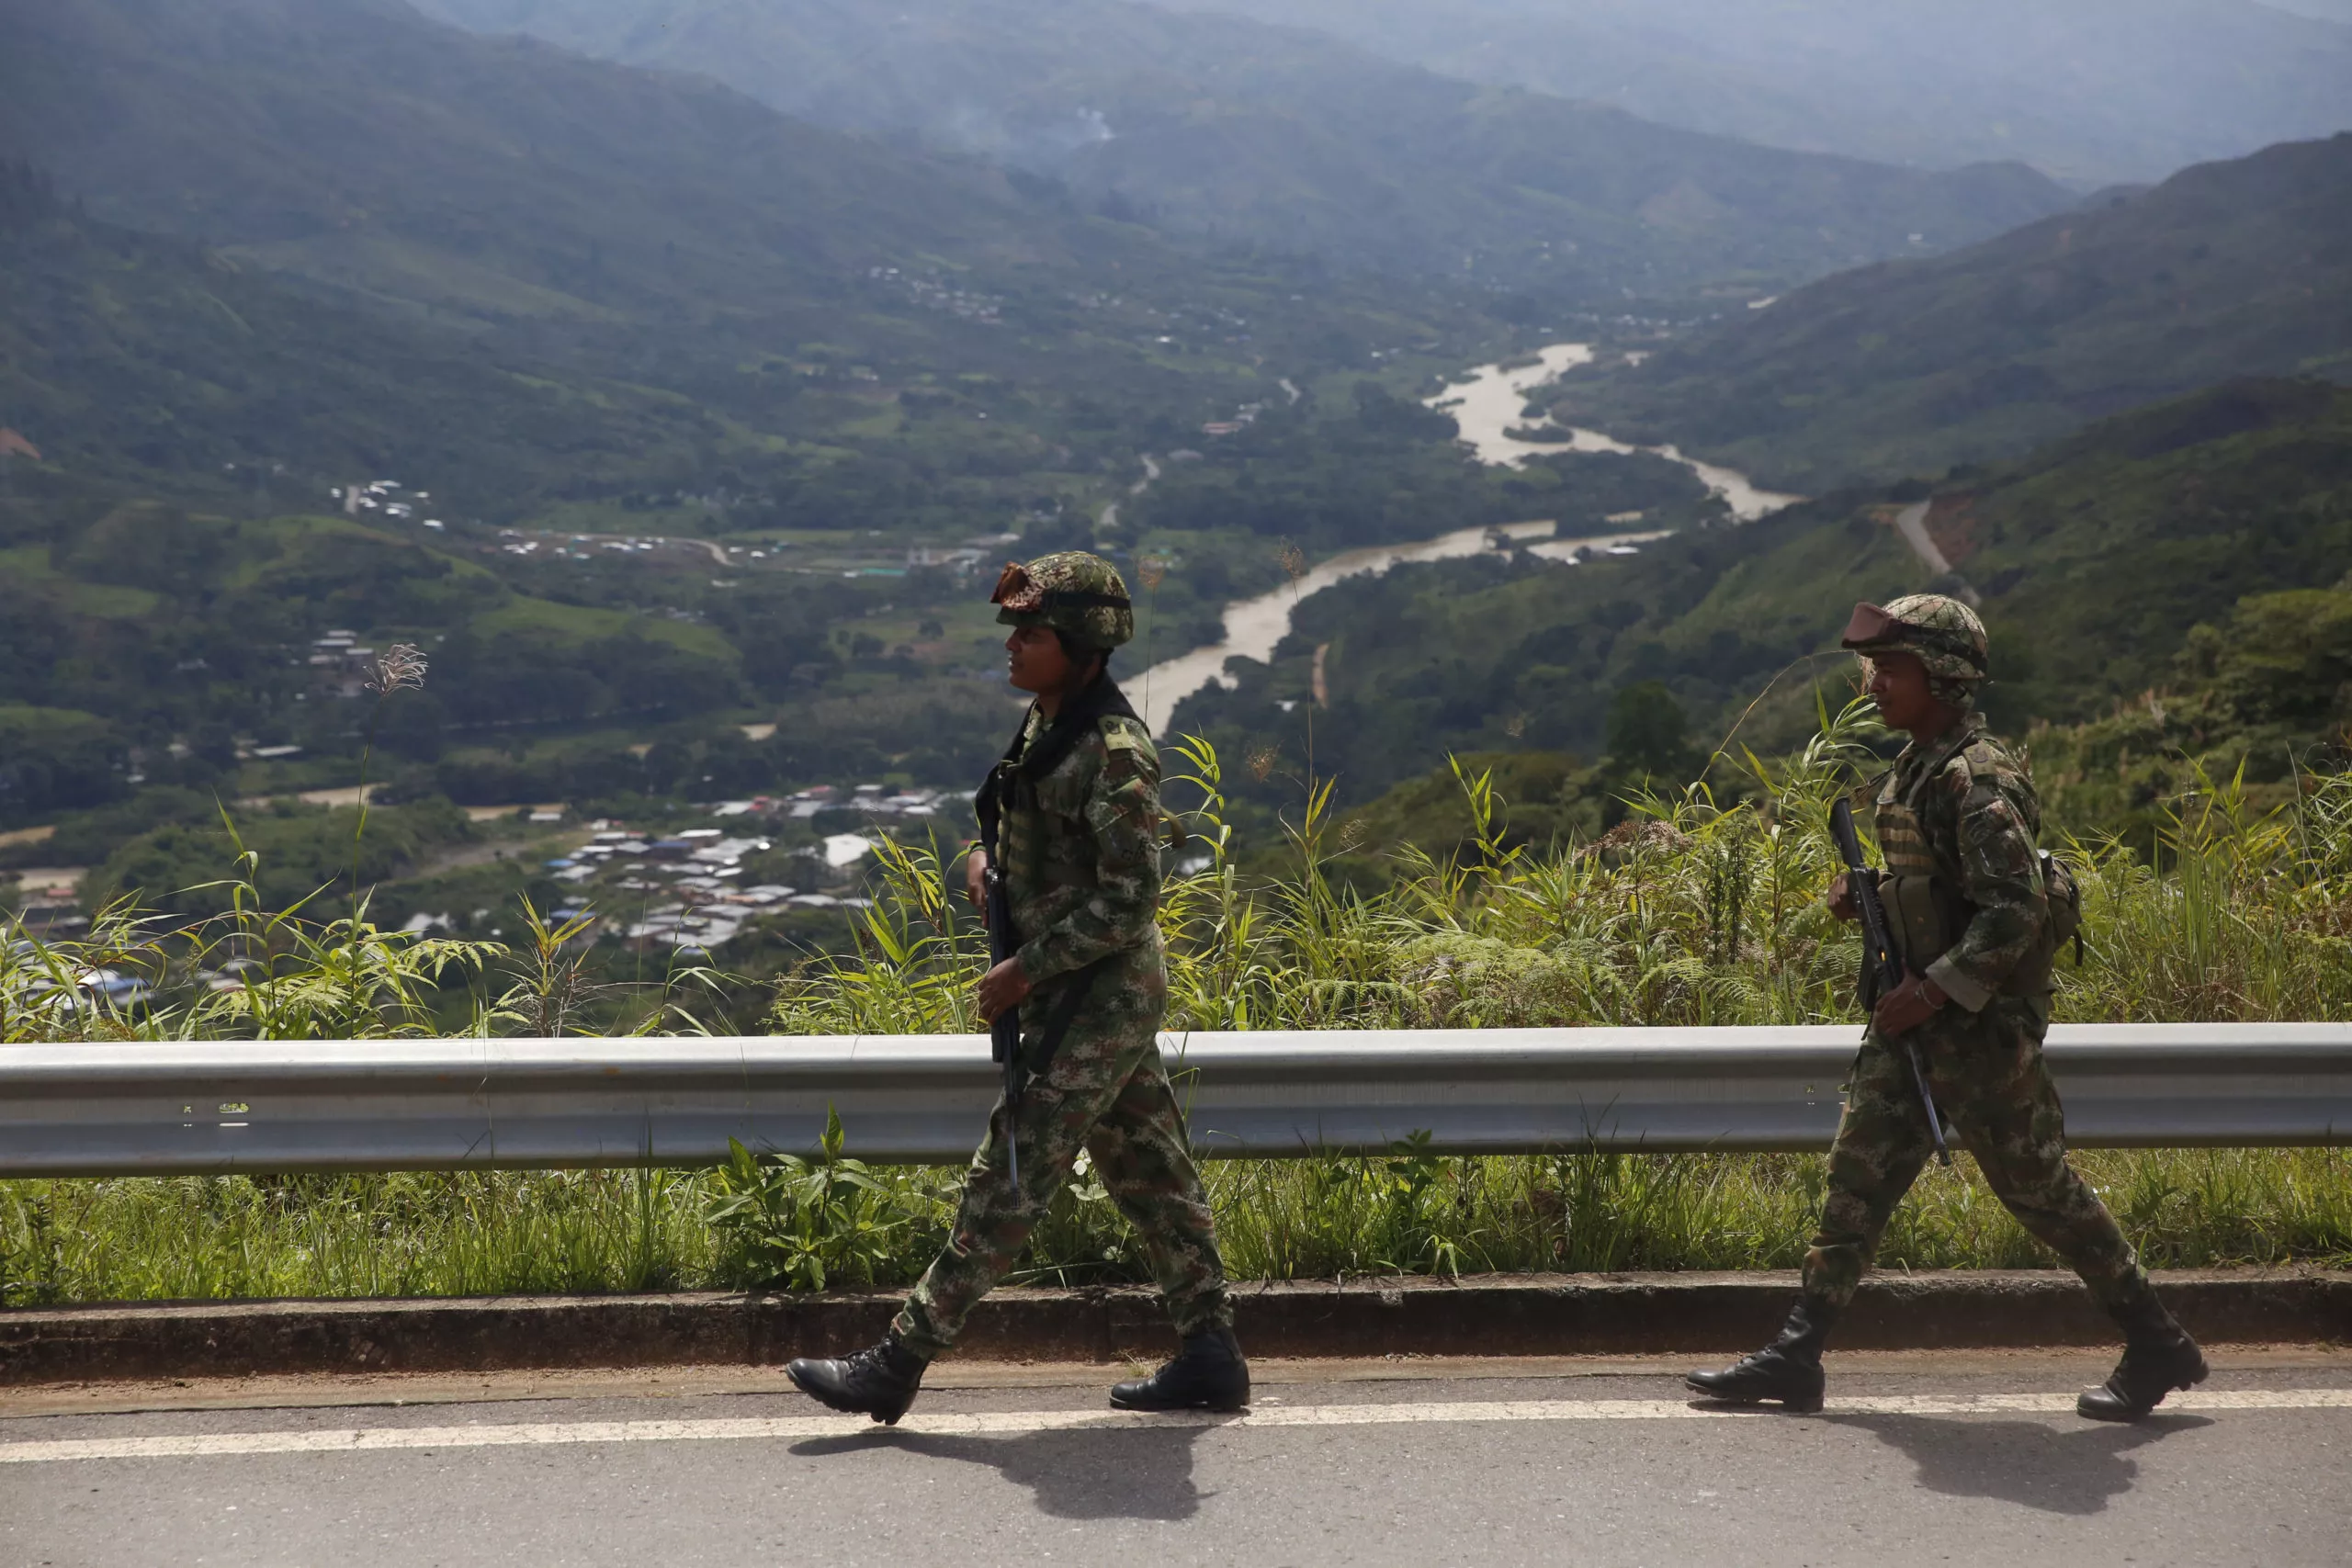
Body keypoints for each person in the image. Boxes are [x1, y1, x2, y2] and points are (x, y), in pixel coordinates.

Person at [1687, 594, 2206, 1423]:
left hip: (1978, 1027)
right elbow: (1942, 888)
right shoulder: (1916, 765)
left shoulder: (1977, 776)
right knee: (1856, 1176)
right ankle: (1797, 1350)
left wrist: (1930, 989)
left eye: (1894, 668)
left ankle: (2158, 1339)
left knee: (2039, 1190)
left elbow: (2015, 910)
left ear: (1946, 677)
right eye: (1875, 666)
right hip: (1914, 1020)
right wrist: (1871, 901)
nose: (1875, 683)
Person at [787, 550, 1247, 1425]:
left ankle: (899, 1359)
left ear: (1082, 646)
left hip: (1096, 997)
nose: (1013, 647)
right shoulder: (1050, 724)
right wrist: (984, 860)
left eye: (1032, 634)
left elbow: (1131, 896)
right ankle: (1211, 1353)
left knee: (1013, 1167)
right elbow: (1035, 831)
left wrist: (1025, 969)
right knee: (1151, 1168)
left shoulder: (1113, 749)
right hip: (1083, 994)